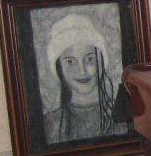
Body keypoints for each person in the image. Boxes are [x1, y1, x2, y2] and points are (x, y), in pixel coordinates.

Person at [42, 14, 123, 143]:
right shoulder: (50, 124)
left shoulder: (120, 114)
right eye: (70, 62)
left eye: (90, 59)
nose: (82, 69)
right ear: (59, 68)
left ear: (101, 61)